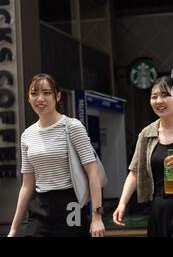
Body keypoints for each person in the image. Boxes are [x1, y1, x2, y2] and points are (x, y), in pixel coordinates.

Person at [8, 74, 105, 237]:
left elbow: (93, 172)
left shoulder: (72, 126)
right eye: (34, 93)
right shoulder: (27, 135)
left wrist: (97, 216)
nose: (40, 98)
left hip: (69, 204)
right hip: (39, 206)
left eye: (46, 93)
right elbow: (27, 185)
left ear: (58, 96)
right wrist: (14, 229)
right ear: (28, 97)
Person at [113, 76, 173, 237]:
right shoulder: (146, 134)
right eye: (154, 96)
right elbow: (135, 171)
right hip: (158, 207)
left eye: (165, 95)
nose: (159, 101)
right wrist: (122, 203)